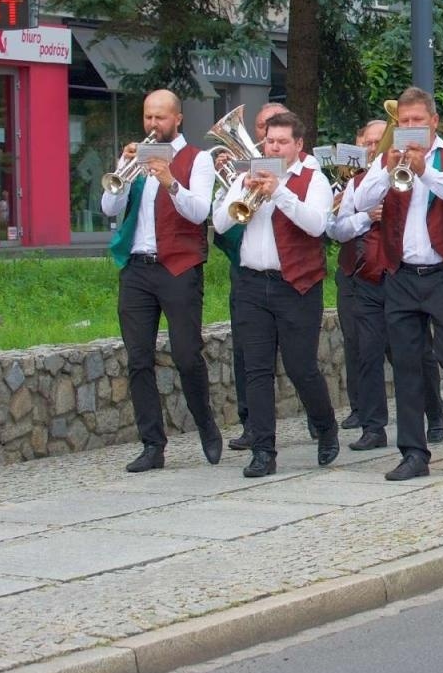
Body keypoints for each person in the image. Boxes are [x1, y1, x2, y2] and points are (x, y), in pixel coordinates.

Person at [347, 87, 443, 480]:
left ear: (433, 122)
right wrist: (386, 170)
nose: (408, 127)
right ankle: (413, 453)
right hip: (402, 273)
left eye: (415, 121)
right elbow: (359, 202)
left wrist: (424, 168)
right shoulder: (388, 156)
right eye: (403, 121)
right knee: (407, 365)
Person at [213, 109, 339, 478]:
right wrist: (242, 188)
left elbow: (317, 225)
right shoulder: (248, 174)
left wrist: (279, 191)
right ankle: (264, 451)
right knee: (256, 369)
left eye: (282, 142)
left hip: (297, 285)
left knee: (301, 368)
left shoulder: (313, 179)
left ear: (298, 146)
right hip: (253, 283)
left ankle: (326, 425)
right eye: (269, 140)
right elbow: (220, 223)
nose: (274, 147)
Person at [102, 91, 221, 473]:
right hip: (137, 268)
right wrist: (122, 168)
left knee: (187, 355)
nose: (153, 125)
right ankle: (152, 444)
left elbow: (200, 211)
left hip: (180, 267)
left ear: (178, 119)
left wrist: (170, 181)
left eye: (161, 118)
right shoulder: (135, 159)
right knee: (138, 359)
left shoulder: (198, 160)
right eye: (148, 117)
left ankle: (205, 424)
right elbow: (109, 208)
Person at [219, 101, 287, 452]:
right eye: (262, 128)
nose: (267, 137)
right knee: (248, 355)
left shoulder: (298, 172)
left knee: (296, 361)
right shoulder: (242, 166)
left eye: (276, 130)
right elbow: (221, 222)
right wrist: (230, 181)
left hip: (287, 277)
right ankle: (253, 429)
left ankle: (320, 423)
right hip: (245, 271)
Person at [326, 118, 393, 451]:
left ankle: (433, 414)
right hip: (360, 272)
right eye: (368, 142)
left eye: (380, 141)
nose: (373, 147)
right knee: (365, 350)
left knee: (411, 351)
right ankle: (373, 425)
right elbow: (337, 230)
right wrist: (366, 217)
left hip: (398, 272)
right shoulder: (354, 182)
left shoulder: (407, 172)